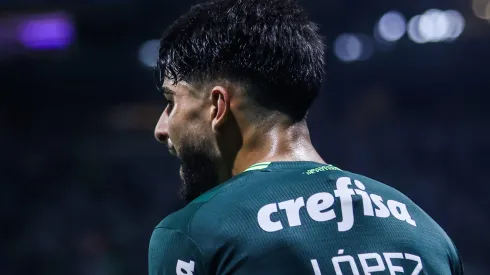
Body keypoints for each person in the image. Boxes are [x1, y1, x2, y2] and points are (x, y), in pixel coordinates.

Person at [149, 0, 464, 274]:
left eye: (171, 101)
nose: (161, 129)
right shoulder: (427, 233)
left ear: (218, 106)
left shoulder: (194, 234)